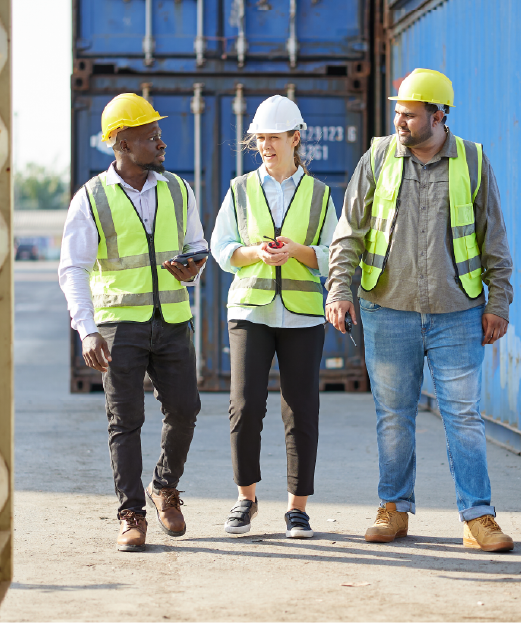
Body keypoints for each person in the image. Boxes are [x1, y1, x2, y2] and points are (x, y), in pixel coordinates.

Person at [325, 68, 515, 551]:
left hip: (457, 313)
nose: (399, 122)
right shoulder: (379, 157)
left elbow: (494, 238)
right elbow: (349, 231)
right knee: (394, 417)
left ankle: (478, 518)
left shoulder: (472, 160)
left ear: (438, 114)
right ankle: (393, 508)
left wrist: (498, 302)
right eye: (397, 113)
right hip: (388, 311)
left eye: (409, 115)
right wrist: (339, 291)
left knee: (464, 417)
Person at [59, 93, 208, 552]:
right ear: (121, 143)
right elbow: (73, 268)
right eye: (150, 136)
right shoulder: (91, 198)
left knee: (185, 409)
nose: (161, 143)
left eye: (158, 135)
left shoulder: (178, 189)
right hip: (118, 327)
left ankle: (164, 486)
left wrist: (193, 267)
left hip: (172, 320)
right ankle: (131, 514)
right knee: (125, 420)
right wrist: (86, 328)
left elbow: (197, 246)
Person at [210, 95, 338, 539]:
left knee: (301, 411)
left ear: (295, 138)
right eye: (259, 139)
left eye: (273, 138)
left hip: (303, 315)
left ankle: (297, 509)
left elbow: (332, 255)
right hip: (250, 310)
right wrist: (255, 253)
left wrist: (297, 252)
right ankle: (245, 500)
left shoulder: (321, 195)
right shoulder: (239, 189)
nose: (265, 145)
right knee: (244, 407)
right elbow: (222, 248)